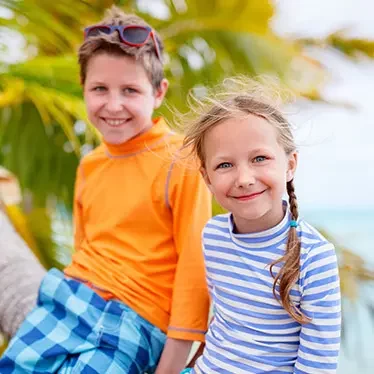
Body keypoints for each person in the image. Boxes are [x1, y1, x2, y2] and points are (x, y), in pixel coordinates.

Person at [0, 6, 211, 374]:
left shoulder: (182, 160)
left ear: (159, 92)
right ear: (83, 89)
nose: (113, 105)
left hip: (133, 322)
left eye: (130, 90)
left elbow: (195, 274)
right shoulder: (90, 164)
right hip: (65, 301)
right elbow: (84, 246)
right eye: (100, 89)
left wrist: (172, 366)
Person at [181, 77, 341, 373]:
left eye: (259, 158)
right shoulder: (213, 236)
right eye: (224, 165)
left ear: (290, 164)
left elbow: (317, 366)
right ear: (207, 178)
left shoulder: (315, 258)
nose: (244, 178)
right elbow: (224, 323)